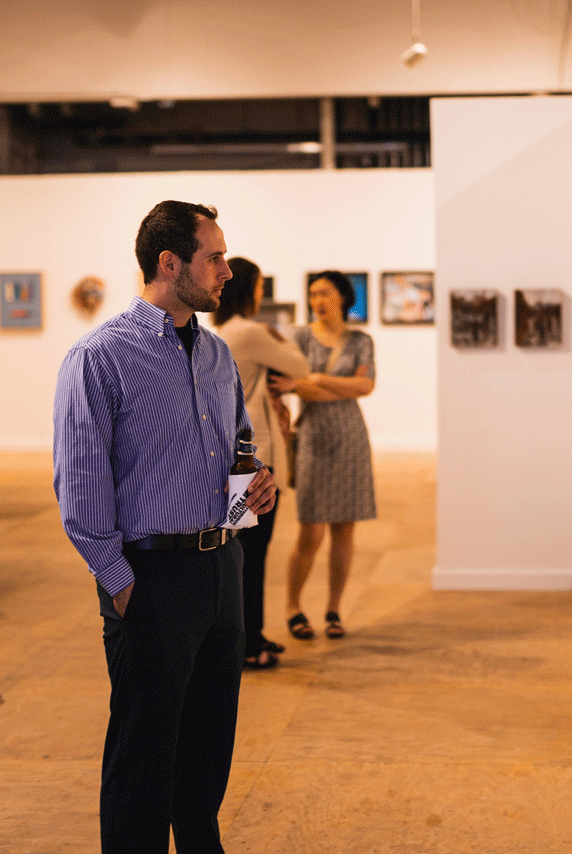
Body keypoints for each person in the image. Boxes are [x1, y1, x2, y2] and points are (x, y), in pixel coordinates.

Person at [52, 200, 277, 854]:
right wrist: (123, 586)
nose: (227, 271)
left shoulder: (214, 354)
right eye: (215, 257)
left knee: (207, 752)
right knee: (143, 760)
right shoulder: (100, 357)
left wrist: (251, 492)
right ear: (169, 262)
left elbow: (236, 447)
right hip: (150, 579)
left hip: (218, 571)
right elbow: (81, 486)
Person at [212, 257, 311, 670]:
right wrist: (278, 335)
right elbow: (302, 366)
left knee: (246, 554)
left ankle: (253, 633)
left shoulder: (220, 332)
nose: (260, 296)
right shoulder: (251, 332)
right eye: (257, 289)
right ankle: (249, 645)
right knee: (251, 556)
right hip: (257, 457)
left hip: (241, 456)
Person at [271, 270, 376, 641]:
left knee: (344, 531)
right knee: (310, 531)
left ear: (343, 298)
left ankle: (334, 609)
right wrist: (328, 387)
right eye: (313, 294)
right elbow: (287, 384)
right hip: (313, 435)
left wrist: (314, 381)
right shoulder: (299, 336)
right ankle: (293, 607)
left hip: (351, 438)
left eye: (325, 293)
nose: (317, 301)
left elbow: (366, 386)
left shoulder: (361, 340)